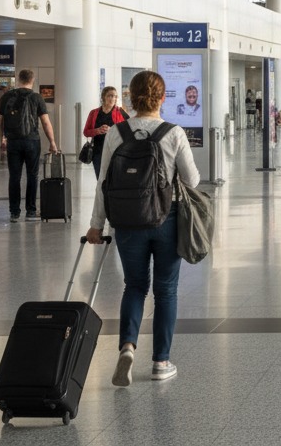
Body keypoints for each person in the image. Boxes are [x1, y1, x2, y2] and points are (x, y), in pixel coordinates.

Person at [86, 70, 199, 385]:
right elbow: (193, 180)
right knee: (166, 290)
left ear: (130, 99)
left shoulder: (116, 133)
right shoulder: (173, 132)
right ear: (162, 98)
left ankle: (127, 346)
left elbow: (103, 185)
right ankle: (161, 362)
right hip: (167, 217)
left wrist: (97, 225)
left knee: (134, 286)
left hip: (127, 221)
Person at [0, 69, 59, 223]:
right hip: (32, 141)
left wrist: (2, 140)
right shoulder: (37, 97)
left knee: (14, 177)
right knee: (32, 176)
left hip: (13, 141)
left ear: (18, 79)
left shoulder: (6, 96)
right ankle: (31, 212)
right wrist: (52, 142)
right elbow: (45, 122)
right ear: (33, 80)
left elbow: (0, 122)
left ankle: (14, 213)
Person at [84, 86, 130, 179]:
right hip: (98, 151)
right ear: (103, 97)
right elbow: (86, 132)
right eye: (110, 96)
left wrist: (112, 130)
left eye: (115, 96)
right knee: (100, 178)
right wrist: (97, 131)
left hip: (115, 151)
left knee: (114, 179)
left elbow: (128, 131)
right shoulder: (94, 113)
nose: (113, 99)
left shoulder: (121, 112)